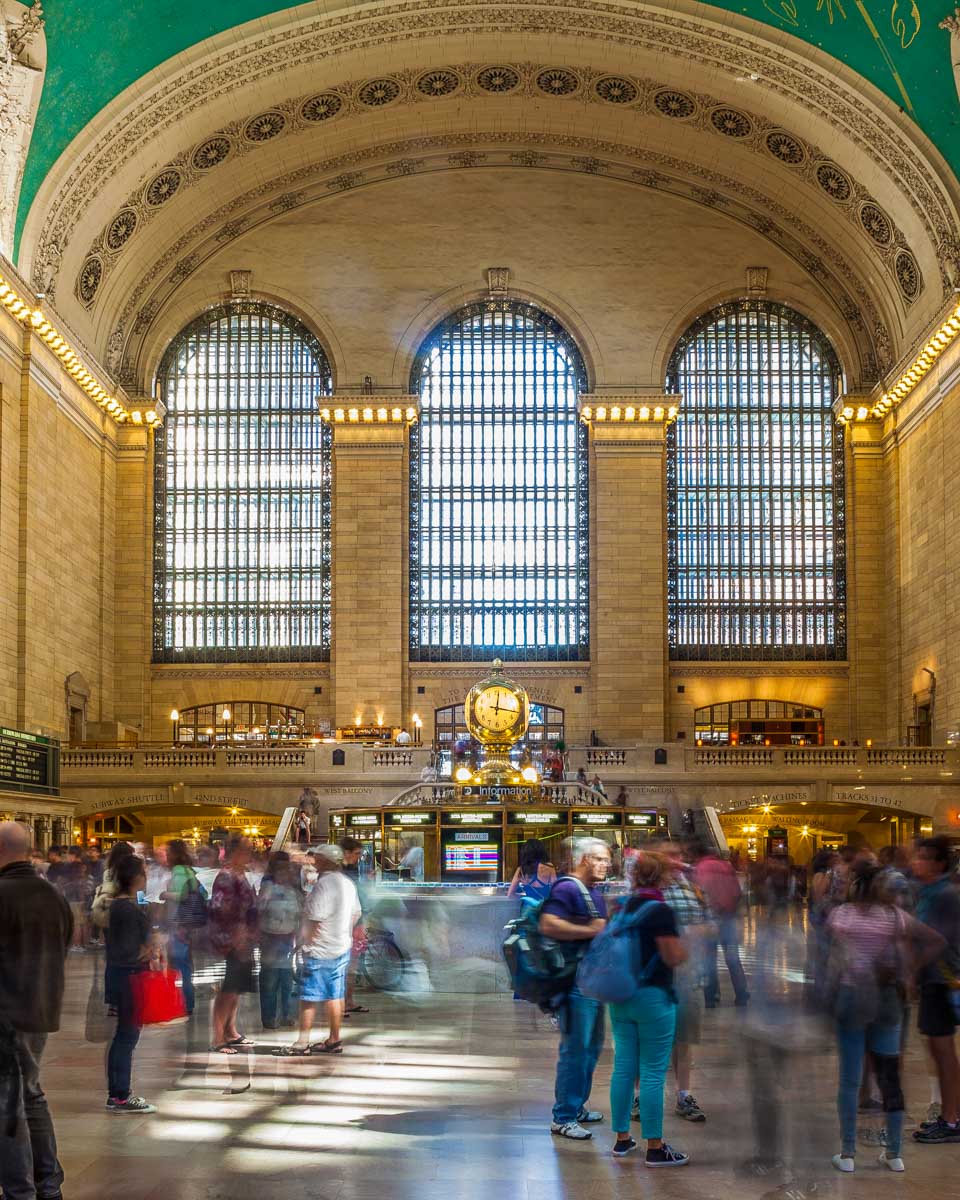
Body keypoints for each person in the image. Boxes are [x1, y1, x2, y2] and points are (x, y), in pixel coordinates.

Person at [825, 860, 945, 1172]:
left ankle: (848, 1154)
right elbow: (935, 940)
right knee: (889, 1077)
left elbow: (834, 962)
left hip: (852, 997)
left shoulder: (841, 916)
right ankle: (894, 1154)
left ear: (853, 884)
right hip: (888, 998)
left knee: (850, 1080)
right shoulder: (895, 916)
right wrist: (910, 972)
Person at [0, 821, 72, 1200]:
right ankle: (49, 1184)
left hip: (6, 1014)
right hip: (41, 1009)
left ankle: (19, 1191)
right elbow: (64, 946)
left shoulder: (2, 894)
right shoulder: (52, 894)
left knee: (8, 1104)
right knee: (31, 1094)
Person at [608, 851, 689, 1166]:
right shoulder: (660, 911)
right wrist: (687, 950)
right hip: (653, 996)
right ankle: (655, 1146)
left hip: (620, 996)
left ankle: (622, 1140)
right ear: (661, 877)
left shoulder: (622, 906)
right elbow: (671, 956)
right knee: (654, 1071)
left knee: (623, 1068)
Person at [539, 837, 610, 1139]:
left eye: (607, 859)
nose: (607, 864)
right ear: (585, 860)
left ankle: (577, 1105)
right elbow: (548, 924)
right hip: (576, 982)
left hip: (594, 980)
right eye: (601, 859)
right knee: (575, 1050)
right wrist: (588, 930)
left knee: (591, 1048)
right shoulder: (567, 888)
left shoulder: (593, 891)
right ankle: (563, 1116)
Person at [275, 844, 361, 1057]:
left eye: (317, 858)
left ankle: (302, 1043)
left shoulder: (324, 885)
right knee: (335, 995)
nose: (314, 861)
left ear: (325, 861)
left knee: (309, 997)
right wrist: (341, 932)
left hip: (320, 950)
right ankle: (334, 1039)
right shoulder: (346, 883)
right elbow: (356, 913)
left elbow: (314, 920)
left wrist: (304, 944)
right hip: (341, 947)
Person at [911, 836, 960, 1144]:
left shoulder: (944, 894)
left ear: (940, 863)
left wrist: (910, 971)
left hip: (943, 980)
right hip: (934, 979)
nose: (919, 862)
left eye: (926, 858)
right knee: (938, 1050)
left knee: (943, 1052)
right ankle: (950, 1114)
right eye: (918, 857)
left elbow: (938, 941)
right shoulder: (929, 892)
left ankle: (952, 1120)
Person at [105, 854, 160, 1114]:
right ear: (135, 877)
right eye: (144, 872)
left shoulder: (120, 905)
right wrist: (149, 950)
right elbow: (128, 950)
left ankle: (117, 1093)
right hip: (129, 977)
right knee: (126, 1037)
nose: (146, 877)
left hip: (121, 976)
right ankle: (120, 1096)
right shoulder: (126, 909)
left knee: (124, 1036)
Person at [658, 841, 709, 1123]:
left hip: (689, 973)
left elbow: (712, 924)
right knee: (650, 1039)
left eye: (678, 854)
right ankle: (640, 1098)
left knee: (684, 1038)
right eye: (668, 855)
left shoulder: (694, 888)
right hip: (656, 974)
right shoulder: (648, 888)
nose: (675, 860)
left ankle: (683, 1094)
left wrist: (693, 931)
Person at [208, 838, 258, 1054]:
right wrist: (236, 932)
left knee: (236, 986)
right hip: (233, 939)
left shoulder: (240, 874)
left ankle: (231, 1030)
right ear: (234, 852)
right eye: (246, 850)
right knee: (229, 987)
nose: (250, 854)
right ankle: (219, 1037)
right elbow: (220, 908)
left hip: (244, 937)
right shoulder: (226, 876)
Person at [692, 842, 749, 1007]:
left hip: (709, 919)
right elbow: (737, 892)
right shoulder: (727, 866)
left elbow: (700, 894)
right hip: (728, 917)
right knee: (732, 957)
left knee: (709, 958)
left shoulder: (699, 868)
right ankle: (741, 993)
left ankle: (711, 997)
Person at [257, 851, 301, 1030]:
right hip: (271, 938)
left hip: (287, 938)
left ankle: (286, 1015)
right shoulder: (268, 886)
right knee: (271, 979)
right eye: (280, 869)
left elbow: (299, 912)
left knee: (286, 979)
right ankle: (270, 1017)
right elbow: (260, 909)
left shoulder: (292, 889)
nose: (284, 873)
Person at [160, 840, 203, 1016]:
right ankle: (188, 1001)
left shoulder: (178, 873)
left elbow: (181, 896)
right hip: (190, 924)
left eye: (168, 852)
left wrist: (165, 894)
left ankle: (182, 1002)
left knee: (178, 965)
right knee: (186, 964)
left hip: (178, 925)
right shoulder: (191, 871)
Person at [339, 838, 370, 1017]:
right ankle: (340, 1003)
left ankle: (349, 1001)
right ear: (347, 853)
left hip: (356, 921)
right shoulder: (338, 872)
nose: (359, 858)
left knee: (352, 965)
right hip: (345, 923)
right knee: (344, 966)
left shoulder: (352, 869)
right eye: (357, 853)